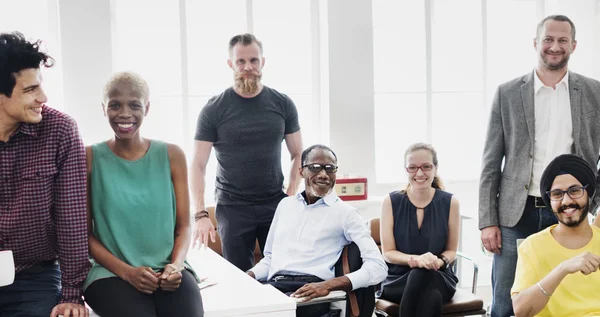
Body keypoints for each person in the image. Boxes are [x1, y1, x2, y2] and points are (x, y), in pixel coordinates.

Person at [479, 15, 600, 317]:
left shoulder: (594, 92)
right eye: (548, 39)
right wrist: (487, 220)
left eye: (562, 40)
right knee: (507, 303)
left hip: (575, 209)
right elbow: (491, 161)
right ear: (536, 43)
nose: (554, 46)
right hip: (514, 214)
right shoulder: (507, 93)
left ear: (573, 45)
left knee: (564, 294)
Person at [82, 72, 203, 317]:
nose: (124, 113)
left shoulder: (172, 155)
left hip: (168, 269)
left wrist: (176, 266)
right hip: (111, 272)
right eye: (115, 105)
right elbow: (85, 236)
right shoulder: (89, 158)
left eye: (134, 105)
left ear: (146, 108)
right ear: (103, 108)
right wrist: (127, 272)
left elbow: (184, 226)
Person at [191, 33, 303, 271]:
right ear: (231, 64)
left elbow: (298, 154)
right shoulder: (214, 109)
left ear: (262, 62)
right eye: (241, 61)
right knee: (239, 278)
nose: (248, 67)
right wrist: (200, 214)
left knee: (283, 272)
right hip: (232, 208)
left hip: (274, 203)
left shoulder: (282, 104)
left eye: (253, 60)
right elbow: (198, 164)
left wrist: (291, 196)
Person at [0, 32, 89, 317]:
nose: (43, 97)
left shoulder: (60, 130)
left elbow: (71, 216)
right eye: (30, 90)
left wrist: (72, 293)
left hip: (33, 277)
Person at [248, 144, 387, 317]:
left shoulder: (346, 213)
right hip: (274, 287)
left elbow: (378, 267)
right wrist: (249, 276)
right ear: (301, 172)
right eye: (315, 167)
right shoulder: (285, 205)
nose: (323, 174)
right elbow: (270, 258)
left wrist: (329, 285)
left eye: (330, 169)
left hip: (312, 292)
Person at [511, 154, 600, 316]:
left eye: (574, 191)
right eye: (557, 194)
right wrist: (563, 269)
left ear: (589, 193)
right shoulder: (532, 247)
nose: (566, 201)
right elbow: (521, 311)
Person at [378, 143, 460, 316]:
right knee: (430, 295)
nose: (420, 173)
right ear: (406, 170)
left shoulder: (451, 202)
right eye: (413, 168)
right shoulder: (390, 201)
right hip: (398, 279)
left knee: (424, 277)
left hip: (438, 275)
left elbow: (451, 250)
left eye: (426, 167)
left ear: (435, 168)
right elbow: (388, 253)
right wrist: (415, 260)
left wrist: (439, 262)